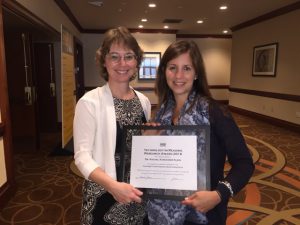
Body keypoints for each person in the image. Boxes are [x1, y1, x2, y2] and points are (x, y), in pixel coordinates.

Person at [147, 40, 254, 225]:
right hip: (159, 213)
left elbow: (244, 163)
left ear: (196, 73)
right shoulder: (162, 112)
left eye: (187, 68)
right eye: (173, 67)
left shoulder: (214, 113)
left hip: (201, 214)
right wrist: (148, 144)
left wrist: (219, 194)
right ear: (164, 71)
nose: (179, 75)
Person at [73, 27, 151, 225]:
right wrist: (113, 186)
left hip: (136, 193)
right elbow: (82, 156)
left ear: (136, 62)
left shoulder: (144, 102)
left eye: (129, 56)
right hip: (103, 195)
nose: (122, 63)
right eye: (114, 56)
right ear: (104, 61)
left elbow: (140, 149)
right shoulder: (89, 102)